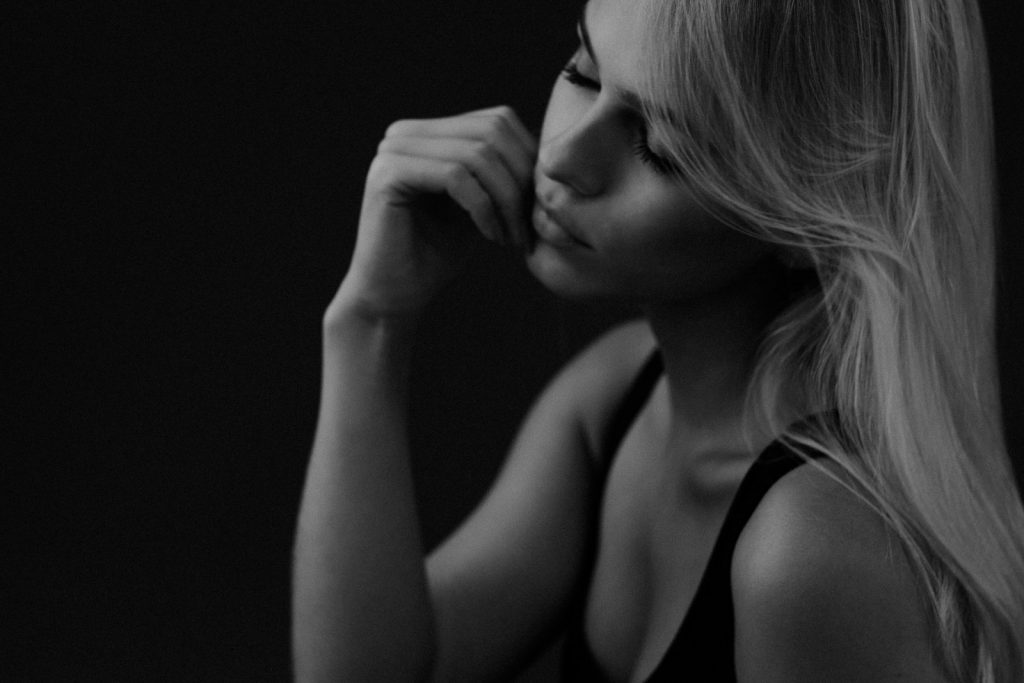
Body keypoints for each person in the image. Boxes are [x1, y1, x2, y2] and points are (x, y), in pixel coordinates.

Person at [292, 0, 1024, 680]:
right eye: (583, 72)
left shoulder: (808, 548)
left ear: (807, 222)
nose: (563, 156)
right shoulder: (615, 399)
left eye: (659, 147)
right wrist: (370, 320)